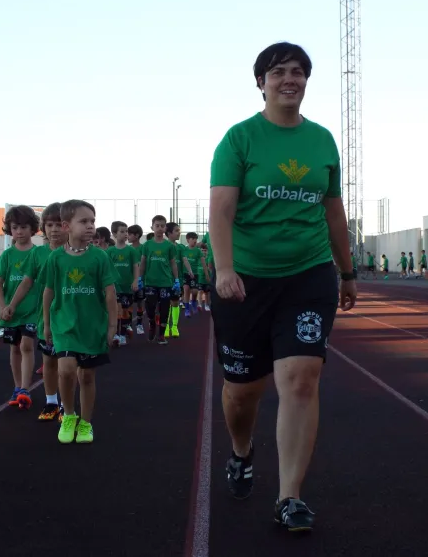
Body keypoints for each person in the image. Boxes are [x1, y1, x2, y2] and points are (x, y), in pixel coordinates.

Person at [208, 42, 357, 532]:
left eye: (298, 72)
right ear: (261, 82)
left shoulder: (322, 142)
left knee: (300, 378)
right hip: (245, 282)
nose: (289, 79)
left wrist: (347, 270)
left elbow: (333, 213)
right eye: (278, 72)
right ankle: (241, 451)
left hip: (308, 275)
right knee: (241, 393)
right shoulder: (240, 140)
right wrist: (225, 268)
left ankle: (289, 496)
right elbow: (222, 211)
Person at [43, 200, 118, 444]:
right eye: (84, 221)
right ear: (67, 226)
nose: (90, 227)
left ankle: (85, 423)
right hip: (64, 325)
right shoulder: (56, 259)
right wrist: (46, 324)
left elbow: (109, 293)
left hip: (92, 326)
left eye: (92, 222)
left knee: (86, 377)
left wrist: (111, 326)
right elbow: (49, 292)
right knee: (65, 370)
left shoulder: (100, 257)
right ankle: (69, 416)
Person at [2, 203, 66, 422]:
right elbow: (27, 282)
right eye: (50, 225)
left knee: (69, 364)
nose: (55, 229)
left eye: (59, 225)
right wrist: (11, 305)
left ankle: (67, 405)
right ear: (44, 227)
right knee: (49, 361)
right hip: (45, 316)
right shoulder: (38, 254)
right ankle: (51, 402)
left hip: (72, 317)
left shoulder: (78, 252)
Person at [0, 205, 39, 409]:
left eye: (23, 227)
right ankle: (17, 386)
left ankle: (25, 389)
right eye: (15, 227)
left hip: (32, 310)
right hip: (11, 312)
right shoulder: (7, 255)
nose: (19, 231)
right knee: (14, 348)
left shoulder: (38, 254)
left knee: (27, 345)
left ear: (33, 228)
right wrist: (3, 307)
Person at [140, 215, 180, 344]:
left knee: (164, 308)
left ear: (165, 228)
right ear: (152, 227)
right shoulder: (147, 245)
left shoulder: (169, 246)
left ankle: (161, 335)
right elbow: (143, 262)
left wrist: (177, 280)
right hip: (150, 281)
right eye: (157, 226)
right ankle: (152, 324)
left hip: (165, 282)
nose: (159, 228)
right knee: (150, 307)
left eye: (162, 226)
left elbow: (173, 263)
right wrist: (140, 279)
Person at [107, 221, 140, 345]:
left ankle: (125, 328)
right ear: (114, 233)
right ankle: (117, 335)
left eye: (126, 231)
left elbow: (135, 266)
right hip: (115, 287)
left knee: (126, 311)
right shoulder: (109, 252)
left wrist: (136, 280)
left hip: (128, 286)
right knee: (117, 310)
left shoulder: (131, 251)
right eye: (122, 231)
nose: (125, 234)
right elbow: (107, 270)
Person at [127, 224, 146, 335]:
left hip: (140, 281)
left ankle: (139, 324)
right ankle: (128, 324)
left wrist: (140, 278)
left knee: (139, 303)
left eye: (130, 234)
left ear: (137, 235)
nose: (127, 236)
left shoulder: (143, 248)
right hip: (129, 281)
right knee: (129, 304)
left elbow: (143, 264)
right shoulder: (127, 249)